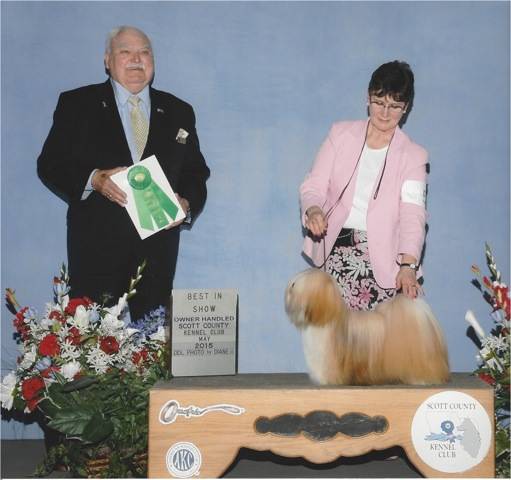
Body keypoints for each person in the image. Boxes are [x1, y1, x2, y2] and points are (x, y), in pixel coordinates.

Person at [37, 26, 210, 321]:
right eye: (125, 52)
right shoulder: (77, 104)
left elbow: (196, 172)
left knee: (153, 347)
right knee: (92, 348)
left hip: (158, 251)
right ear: (107, 60)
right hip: (96, 248)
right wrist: (95, 179)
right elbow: (50, 163)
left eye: (144, 52)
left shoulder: (179, 110)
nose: (136, 60)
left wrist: (187, 204)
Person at [300, 60, 427, 310]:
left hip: (382, 263)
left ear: (406, 108)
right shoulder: (340, 134)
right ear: (367, 97)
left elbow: (413, 215)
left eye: (395, 106)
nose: (385, 113)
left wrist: (408, 266)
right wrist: (314, 209)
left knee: (379, 347)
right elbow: (314, 185)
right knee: (333, 345)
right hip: (333, 250)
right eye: (379, 102)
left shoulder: (413, 156)